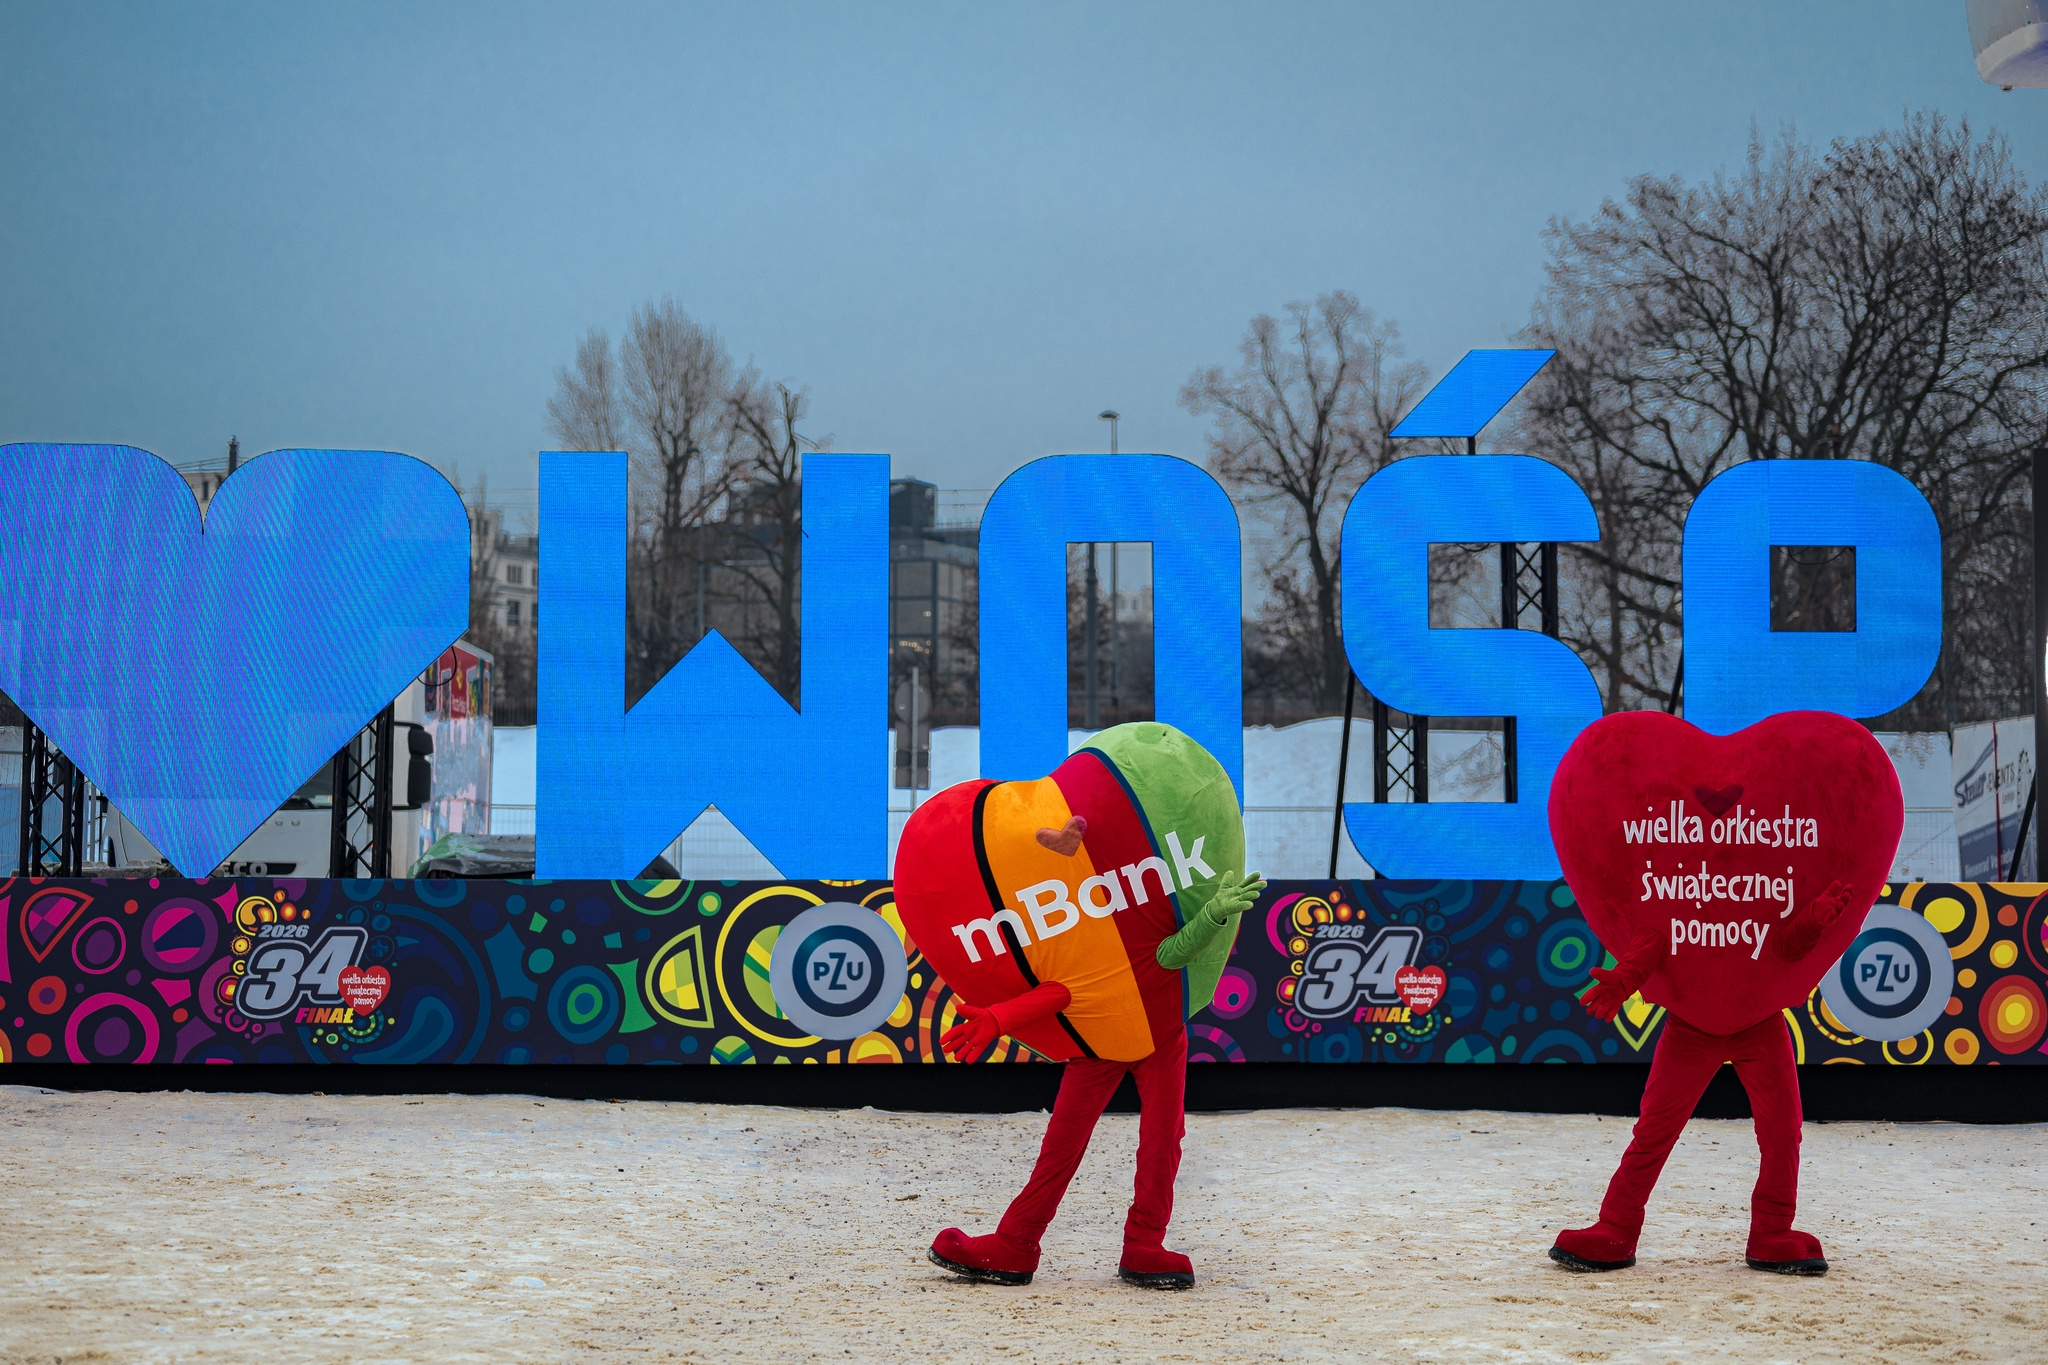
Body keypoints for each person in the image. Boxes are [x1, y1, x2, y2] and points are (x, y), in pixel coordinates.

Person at [927, 862, 1264, 1290]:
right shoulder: (1077, 932)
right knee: (1063, 1144)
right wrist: (997, 1018)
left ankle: (1144, 1243)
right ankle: (1016, 1241)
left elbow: (1174, 952)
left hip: (1159, 1033)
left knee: (1163, 1138)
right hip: (1099, 1042)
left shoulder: (1137, 909)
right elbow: (1061, 991)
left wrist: (1213, 915)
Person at [1550, 879, 1852, 1276]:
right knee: (1654, 1131)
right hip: (1690, 1025)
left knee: (1782, 1130)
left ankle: (1772, 1230)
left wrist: (1811, 920)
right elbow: (1659, 934)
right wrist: (1625, 978)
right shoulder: (1679, 878)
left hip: (1759, 1020)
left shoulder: (1763, 879)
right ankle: (1616, 1227)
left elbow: (1782, 946)